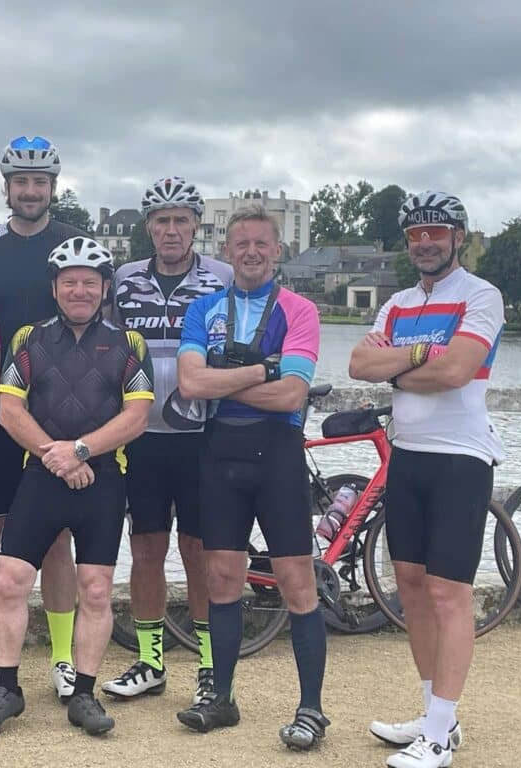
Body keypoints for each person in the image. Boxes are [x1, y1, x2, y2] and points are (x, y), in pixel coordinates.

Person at [0, 237, 153, 737]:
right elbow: (9, 410)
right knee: (8, 581)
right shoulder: (28, 339)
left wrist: (81, 451)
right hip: (41, 476)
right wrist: (58, 454)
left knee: (94, 591)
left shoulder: (128, 343)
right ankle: (6, 688)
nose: (79, 290)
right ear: (54, 287)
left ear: (105, 288)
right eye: (69, 281)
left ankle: (85, 694)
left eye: (89, 283)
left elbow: (136, 417)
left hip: (103, 479)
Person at [349, 192, 502, 768]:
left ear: (457, 236)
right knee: (410, 585)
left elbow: (458, 370)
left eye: (436, 232)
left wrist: (401, 368)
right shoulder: (398, 303)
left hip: (461, 455)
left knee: (448, 592)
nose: (425, 243)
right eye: (415, 235)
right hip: (408, 455)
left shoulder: (481, 295)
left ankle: (438, 736)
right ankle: (436, 715)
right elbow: (360, 366)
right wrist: (422, 356)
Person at [175, 203, 328, 750]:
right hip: (220, 453)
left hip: (278, 451)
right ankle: (222, 699)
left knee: (296, 581)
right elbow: (189, 386)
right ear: (227, 250)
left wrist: (223, 379)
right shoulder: (204, 309)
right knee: (221, 578)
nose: (252, 252)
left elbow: (292, 393)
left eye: (262, 243)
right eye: (242, 244)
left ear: (277, 250)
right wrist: (264, 368)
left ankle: (311, 708)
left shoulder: (299, 310)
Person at [0, 136, 88, 702]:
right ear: (6, 187)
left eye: (40, 182)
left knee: (56, 543)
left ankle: (61, 659)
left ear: (53, 187)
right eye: (21, 182)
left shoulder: (73, 245)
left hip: (61, 409)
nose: (30, 191)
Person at [105, 177, 232, 704]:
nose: (172, 230)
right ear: (149, 227)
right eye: (162, 220)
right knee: (146, 549)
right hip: (142, 436)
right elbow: (109, 349)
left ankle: (207, 665)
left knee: (199, 551)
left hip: (203, 435)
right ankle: (151, 660)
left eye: (182, 220)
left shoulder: (222, 278)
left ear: (196, 225)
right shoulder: (123, 277)